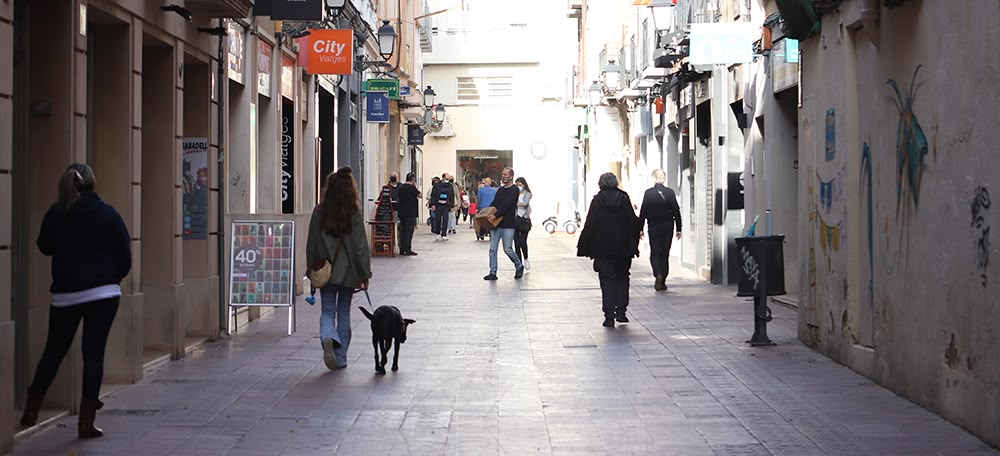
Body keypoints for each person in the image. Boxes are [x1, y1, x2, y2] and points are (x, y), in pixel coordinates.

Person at [20, 163, 132, 439]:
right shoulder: (108, 214)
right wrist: (110, 279)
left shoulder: (58, 213)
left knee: (54, 351)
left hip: (65, 294)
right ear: (93, 184)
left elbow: (44, 246)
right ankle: (85, 422)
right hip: (102, 295)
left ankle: (31, 409)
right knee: (93, 355)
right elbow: (125, 256)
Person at [306, 167, 372, 370]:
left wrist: (311, 269)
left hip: (326, 270)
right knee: (343, 313)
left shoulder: (319, 212)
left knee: (327, 311)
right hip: (349, 272)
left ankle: (327, 336)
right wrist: (364, 273)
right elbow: (360, 247)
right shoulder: (353, 213)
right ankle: (341, 357)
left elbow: (312, 244)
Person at [577, 173, 641, 328]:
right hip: (623, 247)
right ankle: (621, 312)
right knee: (623, 277)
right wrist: (634, 243)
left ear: (601, 184)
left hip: (603, 248)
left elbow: (590, 224)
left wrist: (584, 246)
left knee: (606, 280)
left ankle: (609, 315)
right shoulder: (624, 198)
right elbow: (632, 222)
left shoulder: (597, 201)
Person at [638, 169, 683, 291]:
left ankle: (657, 273)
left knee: (655, 252)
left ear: (653, 179)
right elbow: (676, 210)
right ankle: (663, 277)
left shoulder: (648, 193)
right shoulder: (670, 193)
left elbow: (643, 211)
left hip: (654, 226)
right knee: (665, 253)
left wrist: (640, 228)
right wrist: (679, 228)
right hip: (668, 226)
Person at [483, 167, 524, 280]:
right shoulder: (500, 190)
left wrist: (495, 215)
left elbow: (507, 204)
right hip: (496, 224)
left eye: (506, 174)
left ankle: (519, 266)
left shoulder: (514, 190)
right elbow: (495, 203)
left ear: (511, 176)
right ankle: (493, 272)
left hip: (508, 224)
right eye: (502, 174)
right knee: (492, 249)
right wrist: (487, 212)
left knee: (508, 249)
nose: (504, 176)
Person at [397, 172, 421, 256]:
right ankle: (407, 248)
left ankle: (401, 248)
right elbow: (420, 195)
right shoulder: (412, 188)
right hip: (410, 212)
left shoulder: (401, 187)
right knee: (409, 231)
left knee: (402, 230)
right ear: (413, 179)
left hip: (401, 212)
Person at [514, 177, 533, 270]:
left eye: (520, 185)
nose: (518, 187)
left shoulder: (527, 194)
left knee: (523, 242)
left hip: (524, 220)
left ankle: (526, 258)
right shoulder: (514, 193)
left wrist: (515, 203)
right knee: (516, 243)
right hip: (515, 219)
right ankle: (519, 264)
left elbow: (525, 203)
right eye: (517, 185)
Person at [432, 173, 454, 241]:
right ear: (443, 178)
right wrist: (433, 204)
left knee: (445, 219)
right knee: (438, 219)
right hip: (438, 204)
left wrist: (452, 206)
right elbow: (433, 194)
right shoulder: (437, 185)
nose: (447, 180)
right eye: (446, 179)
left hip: (446, 205)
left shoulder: (450, 186)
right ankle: (438, 233)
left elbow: (451, 196)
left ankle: (444, 234)